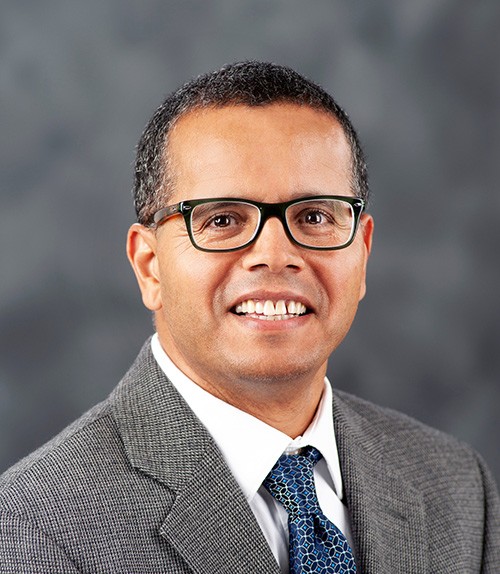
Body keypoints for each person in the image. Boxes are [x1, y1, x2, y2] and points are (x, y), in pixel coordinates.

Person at [0, 61, 498, 573]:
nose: (275, 256)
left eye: (314, 216)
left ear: (363, 251)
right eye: (222, 219)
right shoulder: (32, 529)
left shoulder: (459, 490)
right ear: (150, 267)